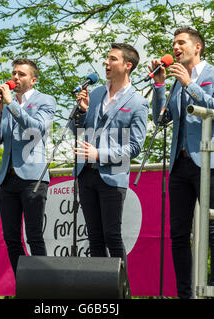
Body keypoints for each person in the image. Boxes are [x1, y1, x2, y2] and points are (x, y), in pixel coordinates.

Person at [150, 26, 214, 299]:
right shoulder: (177, 80)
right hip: (179, 164)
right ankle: (185, 294)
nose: (175, 47)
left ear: (197, 47)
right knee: (178, 234)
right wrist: (159, 86)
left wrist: (190, 85)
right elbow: (161, 119)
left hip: (208, 160)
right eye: (174, 43)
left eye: (181, 43)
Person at [73, 43, 149, 272]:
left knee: (112, 237)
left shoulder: (138, 102)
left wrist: (100, 155)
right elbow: (77, 131)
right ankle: (99, 291)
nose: (106, 63)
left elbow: (135, 147)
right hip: (86, 174)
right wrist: (82, 112)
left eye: (112, 59)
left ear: (127, 65)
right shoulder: (95, 94)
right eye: (106, 59)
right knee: (94, 237)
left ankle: (121, 292)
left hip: (113, 177)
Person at [0, 58, 56, 276]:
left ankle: (42, 287)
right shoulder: (7, 103)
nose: (15, 77)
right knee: (10, 237)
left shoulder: (46, 100)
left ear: (33, 80)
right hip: (8, 177)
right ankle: (24, 284)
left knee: (34, 235)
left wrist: (11, 105)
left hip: (33, 177)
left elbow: (36, 128)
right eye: (14, 73)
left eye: (22, 74)